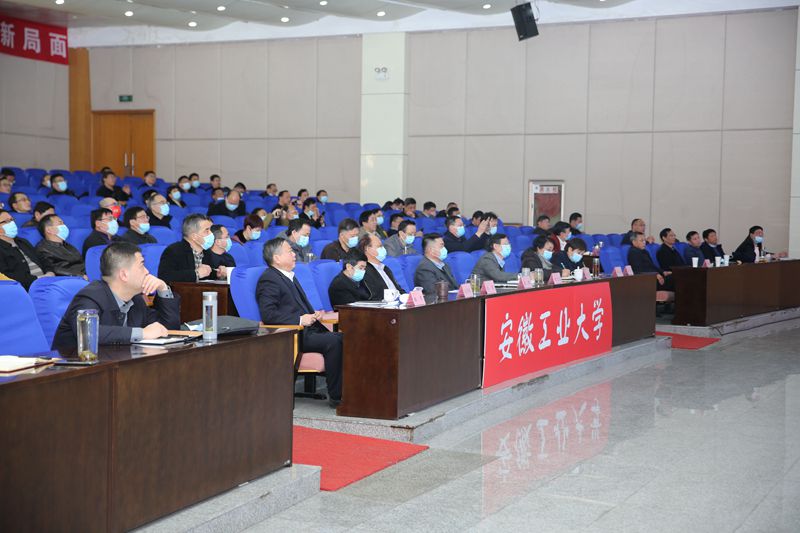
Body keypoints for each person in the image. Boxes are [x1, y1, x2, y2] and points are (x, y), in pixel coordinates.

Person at [257, 238, 343, 407]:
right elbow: (268, 315)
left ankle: (346, 390)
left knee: (344, 336)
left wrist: (313, 314)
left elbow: (297, 306)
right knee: (335, 341)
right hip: (292, 333)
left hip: (307, 329)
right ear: (277, 258)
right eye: (289, 251)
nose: (294, 254)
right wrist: (300, 320)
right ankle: (337, 397)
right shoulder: (269, 279)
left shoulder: (289, 276)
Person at [52, 242, 181, 351]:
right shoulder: (89, 297)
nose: (147, 271)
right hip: (76, 368)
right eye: (142, 265)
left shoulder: (136, 299)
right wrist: (142, 333)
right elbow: (88, 333)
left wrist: (163, 289)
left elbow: (167, 329)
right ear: (124, 275)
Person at [0, 209, 54, 289]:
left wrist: (50, 272)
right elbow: (7, 276)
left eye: (12, 220)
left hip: (47, 281)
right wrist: (37, 279)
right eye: (6, 221)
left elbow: (42, 259)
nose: (11, 223)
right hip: (25, 288)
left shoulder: (22, 241)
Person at [158, 214, 214, 282]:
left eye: (211, 230)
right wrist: (196, 274)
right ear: (194, 236)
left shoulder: (207, 252)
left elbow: (206, 276)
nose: (212, 234)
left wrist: (218, 273)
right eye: (207, 230)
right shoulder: (174, 251)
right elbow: (165, 276)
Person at [358, 233, 406, 300]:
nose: (383, 249)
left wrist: (407, 297)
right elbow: (373, 297)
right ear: (368, 249)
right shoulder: (364, 271)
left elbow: (399, 290)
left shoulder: (385, 268)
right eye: (380, 246)